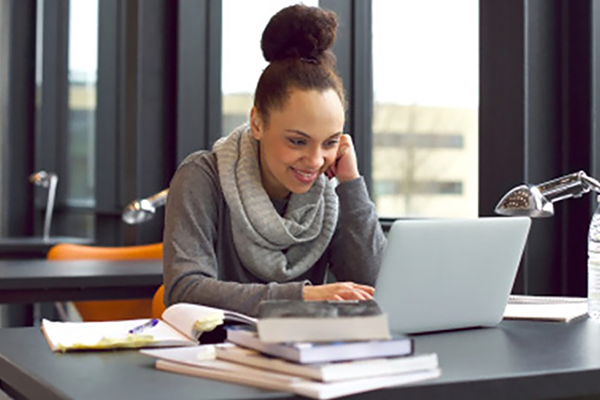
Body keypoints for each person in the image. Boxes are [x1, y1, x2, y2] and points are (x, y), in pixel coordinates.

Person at [163, 4, 386, 317]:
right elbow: (184, 290)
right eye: (297, 141)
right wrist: (302, 297)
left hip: (306, 353)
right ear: (257, 123)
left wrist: (351, 185)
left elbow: (378, 287)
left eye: (330, 142)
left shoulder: (327, 195)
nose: (314, 160)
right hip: (218, 354)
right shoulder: (202, 176)